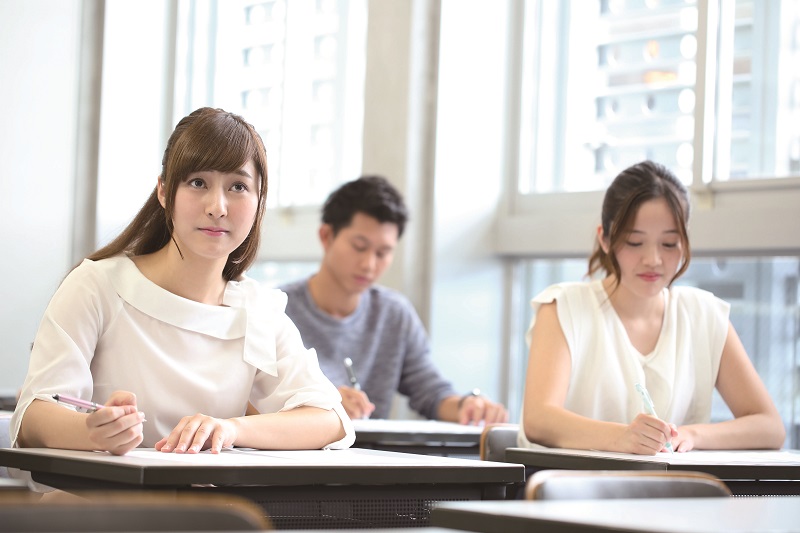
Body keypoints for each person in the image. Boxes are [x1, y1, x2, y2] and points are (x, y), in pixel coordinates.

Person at [11, 107, 354, 456]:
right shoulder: (97, 285)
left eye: (238, 186)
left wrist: (230, 428)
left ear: (259, 200)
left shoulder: (258, 311)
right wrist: (91, 432)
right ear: (164, 191)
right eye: (197, 183)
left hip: (204, 508)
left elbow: (330, 418)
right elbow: (31, 417)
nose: (217, 206)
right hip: (99, 504)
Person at [518, 160, 785, 454]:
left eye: (669, 244)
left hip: (669, 496)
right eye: (634, 242)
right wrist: (622, 438)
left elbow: (769, 426)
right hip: (571, 495)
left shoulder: (703, 315)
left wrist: (693, 434)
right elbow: (538, 419)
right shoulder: (564, 308)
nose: (653, 260)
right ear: (605, 239)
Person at [279, 175, 508, 424]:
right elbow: (256, 400)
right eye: (359, 246)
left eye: (383, 252)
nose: (369, 264)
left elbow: (431, 392)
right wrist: (322, 401)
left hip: (375, 459)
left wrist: (467, 407)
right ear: (326, 237)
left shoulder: (393, 313)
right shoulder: (277, 311)